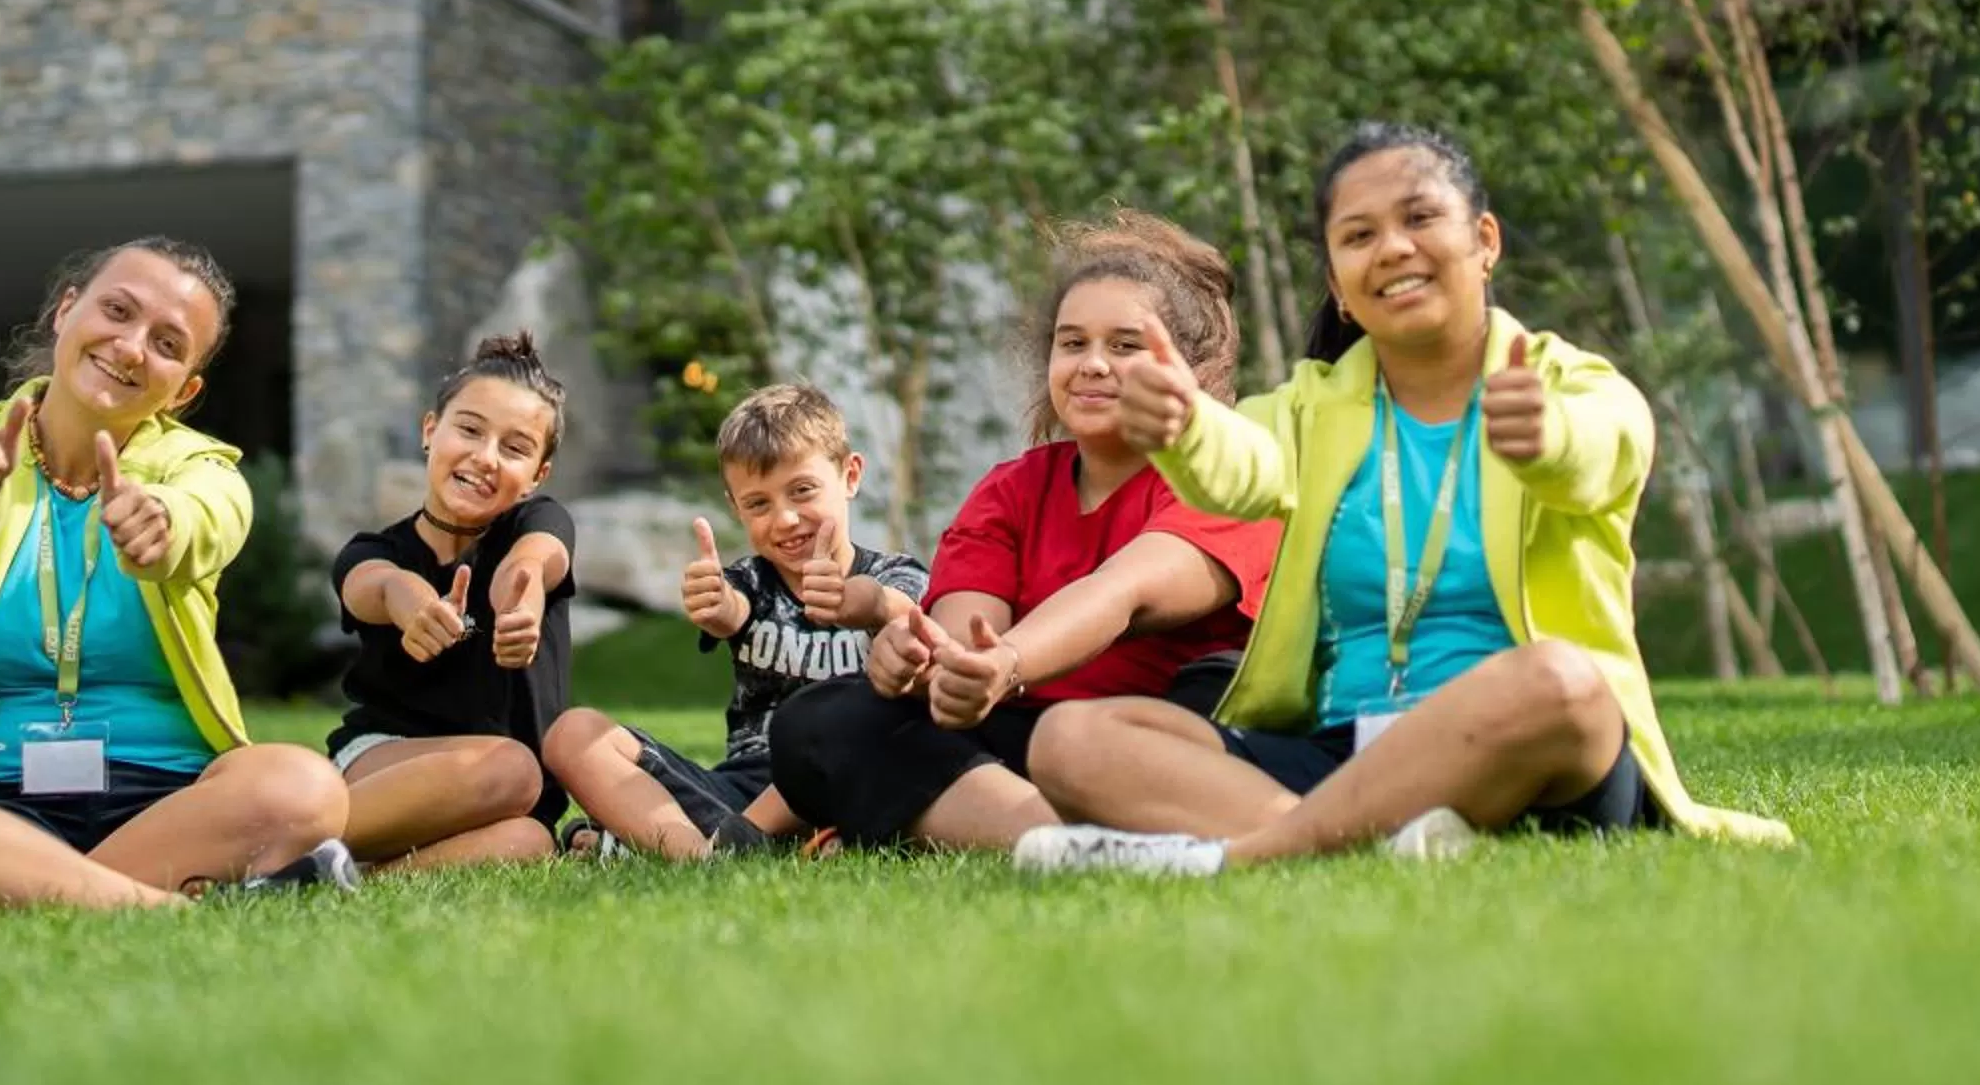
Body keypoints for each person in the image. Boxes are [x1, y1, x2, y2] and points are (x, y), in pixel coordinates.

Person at [1015, 125, 1794, 875]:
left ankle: (1241, 854)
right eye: (1358, 236)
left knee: (1560, 680)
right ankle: (1381, 839)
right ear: (1339, 287)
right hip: (1348, 743)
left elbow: (1607, 448)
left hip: (1526, 749)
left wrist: (1547, 437)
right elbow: (1243, 465)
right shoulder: (1313, 409)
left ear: (1484, 242)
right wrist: (1186, 428)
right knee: (1070, 741)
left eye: (1419, 218)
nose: (1392, 248)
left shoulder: (1565, 382)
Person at [0, 238, 357, 914]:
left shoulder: (200, 471)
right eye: (117, 311)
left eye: (166, 343)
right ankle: (161, 904)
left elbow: (214, 515)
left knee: (305, 785)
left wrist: (164, 523)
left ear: (184, 389)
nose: (130, 348)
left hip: (170, 801)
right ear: (66, 312)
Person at [763, 213, 1281, 853]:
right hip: (1017, 738)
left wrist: (1006, 663)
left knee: (1215, 690)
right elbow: (963, 632)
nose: (1092, 365)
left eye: (1125, 347)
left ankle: (993, 827)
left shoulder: (1226, 479)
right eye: (1073, 344)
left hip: (1153, 735)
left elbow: (1122, 592)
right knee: (822, 720)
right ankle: (1072, 844)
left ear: (1188, 370)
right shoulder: (1012, 488)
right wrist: (930, 658)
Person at [545, 382, 926, 859]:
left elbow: (903, 610)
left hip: (847, 774)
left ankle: (634, 840)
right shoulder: (748, 580)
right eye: (758, 504)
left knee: (901, 761)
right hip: (743, 790)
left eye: (802, 491)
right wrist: (721, 607)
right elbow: (734, 610)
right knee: (572, 734)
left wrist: (860, 601)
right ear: (735, 508)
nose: (785, 519)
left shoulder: (896, 574)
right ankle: (706, 855)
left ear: (850, 476)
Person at [325, 332, 577, 874]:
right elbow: (376, 585)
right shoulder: (374, 550)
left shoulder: (539, 523)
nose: (486, 458)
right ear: (430, 430)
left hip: (497, 802)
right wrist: (411, 603)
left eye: (514, 449)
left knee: (531, 840)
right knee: (514, 768)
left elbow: (533, 563)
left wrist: (522, 604)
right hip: (381, 763)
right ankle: (279, 841)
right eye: (469, 430)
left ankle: (331, 877)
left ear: (538, 476)